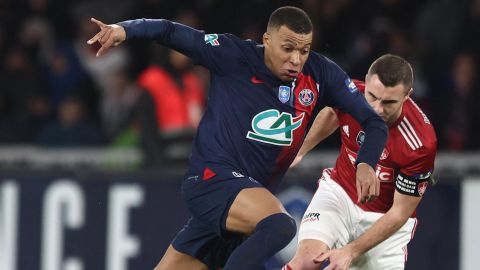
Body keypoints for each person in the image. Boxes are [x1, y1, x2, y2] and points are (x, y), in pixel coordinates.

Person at [87, 6, 388, 270]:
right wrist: (124, 29)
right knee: (281, 225)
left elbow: (374, 122)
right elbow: (169, 30)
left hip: (244, 203)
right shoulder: (232, 55)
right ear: (267, 41)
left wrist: (366, 163)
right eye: (288, 48)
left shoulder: (321, 74)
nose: (297, 59)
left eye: (304, 50)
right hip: (212, 179)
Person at [284, 54, 437, 270]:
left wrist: (350, 251)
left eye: (389, 102)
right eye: (372, 96)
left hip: (383, 223)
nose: (377, 109)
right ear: (366, 80)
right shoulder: (352, 94)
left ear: (407, 95)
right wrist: (300, 151)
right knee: (306, 263)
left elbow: (399, 213)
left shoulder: (420, 142)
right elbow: (332, 113)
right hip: (340, 196)